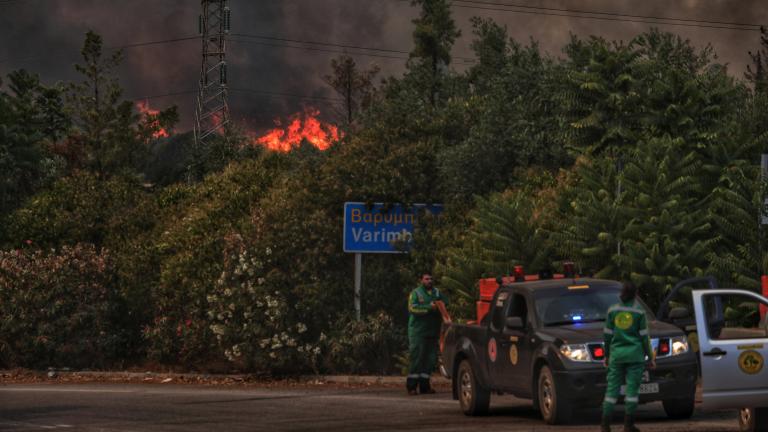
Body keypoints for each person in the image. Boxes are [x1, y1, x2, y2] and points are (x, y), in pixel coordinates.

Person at [601, 281, 656, 432]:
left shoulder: (612, 310)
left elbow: (607, 336)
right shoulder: (639, 312)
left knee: (611, 391)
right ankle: (628, 425)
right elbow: (644, 337)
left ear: (622, 293)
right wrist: (650, 357)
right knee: (632, 392)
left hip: (616, 356)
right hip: (635, 356)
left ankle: (605, 426)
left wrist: (607, 355)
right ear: (635, 294)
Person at [406, 272, 447, 395]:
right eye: (426, 279)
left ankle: (425, 386)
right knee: (417, 359)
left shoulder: (437, 292)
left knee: (430, 360)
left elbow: (445, 302)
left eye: (431, 279)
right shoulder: (416, 293)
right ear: (421, 280)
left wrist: (442, 306)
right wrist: (429, 307)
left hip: (433, 331)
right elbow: (412, 308)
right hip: (418, 332)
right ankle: (412, 386)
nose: (429, 281)